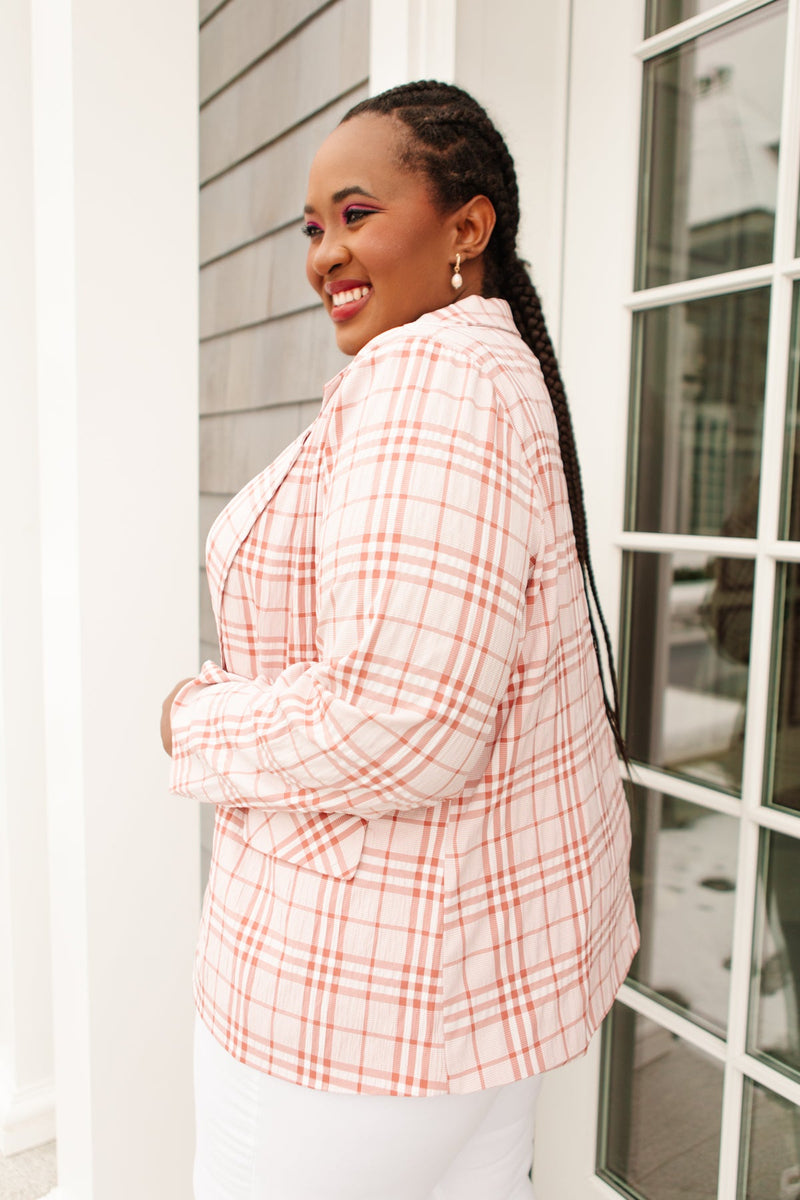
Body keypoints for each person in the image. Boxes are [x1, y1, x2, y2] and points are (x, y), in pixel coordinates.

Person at [161, 80, 639, 1200]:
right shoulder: (488, 368)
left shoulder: (425, 380)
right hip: (456, 993)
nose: (326, 252)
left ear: (465, 226)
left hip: (355, 1008)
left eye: (357, 213)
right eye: (313, 227)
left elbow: (401, 720)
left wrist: (191, 718)